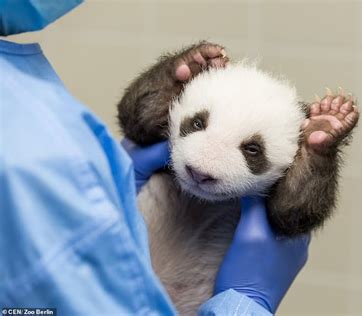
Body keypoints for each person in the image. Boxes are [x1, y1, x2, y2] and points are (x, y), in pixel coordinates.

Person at [0, 1, 309, 315]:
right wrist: (243, 304)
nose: (204, 166)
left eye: (252, 150)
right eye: (198, 124)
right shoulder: (24, 160)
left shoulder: (18, 94)